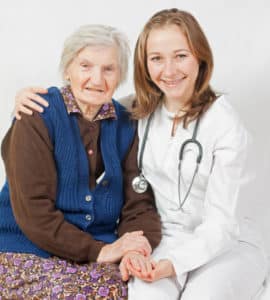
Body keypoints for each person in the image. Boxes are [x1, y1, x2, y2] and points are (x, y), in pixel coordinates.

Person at [12, 8, 269, 300]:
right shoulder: (141, 110)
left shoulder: (224, 124)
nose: (169, 71)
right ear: (144, 65)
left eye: (181, 56)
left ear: (201, 56)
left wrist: (170, 265)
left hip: (225, 245)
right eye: (157, 58)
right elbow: (91, 101)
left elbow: (222, 225)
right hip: (163, 240)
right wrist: (29, 101)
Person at [0, 24, 162, 299]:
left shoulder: (126, 125)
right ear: (68, 70)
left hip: (94, 253)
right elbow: (34, 210)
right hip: (25, 247)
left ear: (120, 75)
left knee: (133, 288)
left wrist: (135, 246)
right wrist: (100, 251)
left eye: (108, 69)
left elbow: (139, 201)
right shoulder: (37, 114)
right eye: (85, 66)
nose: (96, 79)